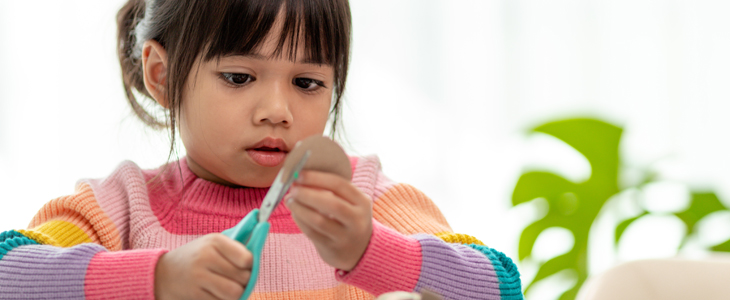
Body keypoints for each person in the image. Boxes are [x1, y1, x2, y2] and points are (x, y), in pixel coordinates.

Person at [0, 0, 523, 299]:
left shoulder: (362, 199)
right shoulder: (122, 205)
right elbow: (9, 271)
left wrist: (370, 251)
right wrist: (157, 278)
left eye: (307, 83)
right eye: (239, 76)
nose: (277, 109)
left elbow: (500, 286)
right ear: (161, 75)